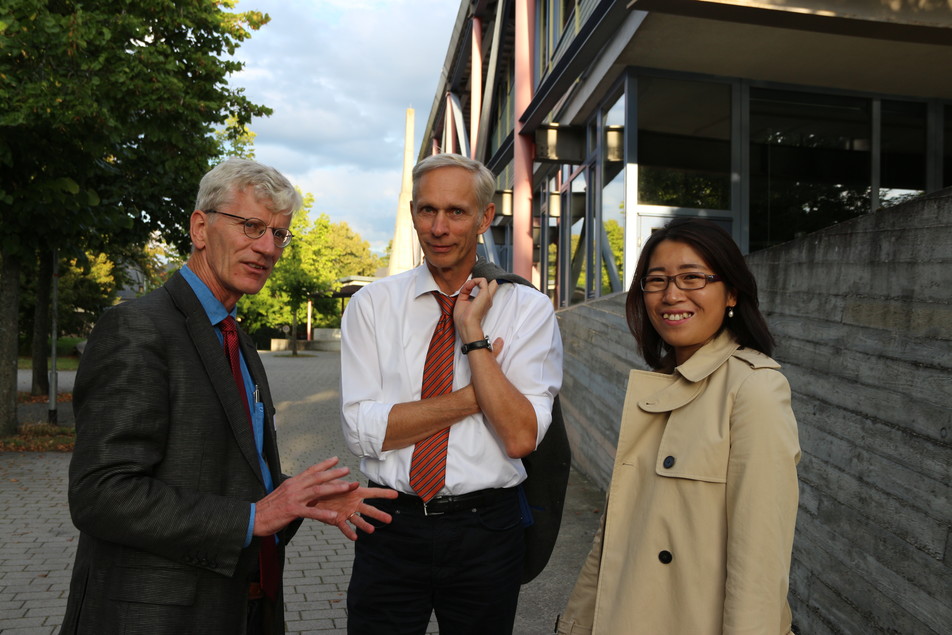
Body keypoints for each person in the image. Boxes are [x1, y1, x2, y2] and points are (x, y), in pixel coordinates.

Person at [61, 158, 396, 635]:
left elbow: (222, 465)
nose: (267, 248)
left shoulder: (233, 336)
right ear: (201, 227)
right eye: (251, 226)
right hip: (157, 615)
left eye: (279, 234)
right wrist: (253, 516)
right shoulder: (138, 327)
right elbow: (101, 494)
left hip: (242, 605)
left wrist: (304, 498)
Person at [340, 153, 563, 634]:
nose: (438, 227)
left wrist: (472, 334)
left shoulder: (528, 309)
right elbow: (362, 432)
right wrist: (476, 397)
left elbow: (521, 437)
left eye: (456, 212)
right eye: (427, 210)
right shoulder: (371, 306)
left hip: (486, 528)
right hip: (388, 523)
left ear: (485, 217)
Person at [557, 218, 801, 634]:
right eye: (657, 280)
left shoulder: (754, 388)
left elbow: (760, 562)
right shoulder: (659, 389)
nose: (672, 294)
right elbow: (616, 540)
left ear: (731, 293)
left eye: (692, 277)